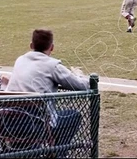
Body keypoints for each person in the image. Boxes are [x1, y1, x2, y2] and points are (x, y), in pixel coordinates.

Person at [6, 29, 89, 157]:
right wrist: (81, 76)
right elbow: (80, 85)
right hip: (37, 124)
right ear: (52, 47)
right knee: (74, 115)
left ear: (31, 46)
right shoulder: (52, 65)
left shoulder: (20, 60)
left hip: (9, 123)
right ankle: (58, 154)